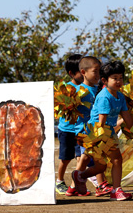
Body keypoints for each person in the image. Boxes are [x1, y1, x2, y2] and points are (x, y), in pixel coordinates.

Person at [72, 60, 133, 201]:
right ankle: (116, 191)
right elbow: (101, 122)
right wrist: (99, 141)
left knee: (101, 167)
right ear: (105, 80)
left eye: (120, 78)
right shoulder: (104, 96)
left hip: (106, 131)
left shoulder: (120, 96)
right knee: (116, 159)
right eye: (114, 78)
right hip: (96, 132)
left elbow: (127, 119)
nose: (118, 81)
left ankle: (79, 175)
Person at [65, 56, 102, 196]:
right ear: (83, 72)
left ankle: (74, 187)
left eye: (99, 72)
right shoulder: (79, 91)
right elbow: (70, 109)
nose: (98, 75)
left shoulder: (96, 89)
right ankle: (100, 185)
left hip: (94, 130)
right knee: (92, 157)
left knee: (89, 158)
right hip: (84, 130)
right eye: (95, 71)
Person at [56, 54, 84, 195]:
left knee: (81, 157)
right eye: (81, 70)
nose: (84, 73)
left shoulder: (87, 88)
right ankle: (59, 180)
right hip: (66, 129)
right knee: (66, 158)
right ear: (72, 73)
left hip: (81, 129)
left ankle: (77, 183)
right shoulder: (66, 89)